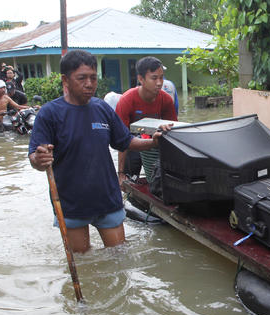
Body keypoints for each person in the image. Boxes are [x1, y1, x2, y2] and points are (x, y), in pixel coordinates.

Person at [28, 50, 172, 253]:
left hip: (107, 197)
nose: (89, 84)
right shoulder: (49, 114)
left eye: (93, 78)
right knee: (84, 260)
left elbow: (125, 142)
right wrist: (39, 158)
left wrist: (153, 142)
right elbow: (35, 157)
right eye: (82, 78)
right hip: (71, 202)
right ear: (65, 80)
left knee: (119, 257)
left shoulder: (102, 108)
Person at [116, 56, 177, 184]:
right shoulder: (127, 100)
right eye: (154, 78)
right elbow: (121, 140)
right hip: (132, 144)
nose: (159, 82)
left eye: (161, 77)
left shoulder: (165, 100)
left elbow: (173, 131)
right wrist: (120, 173)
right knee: (129, 179)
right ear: (141, 79)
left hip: (154, 143)